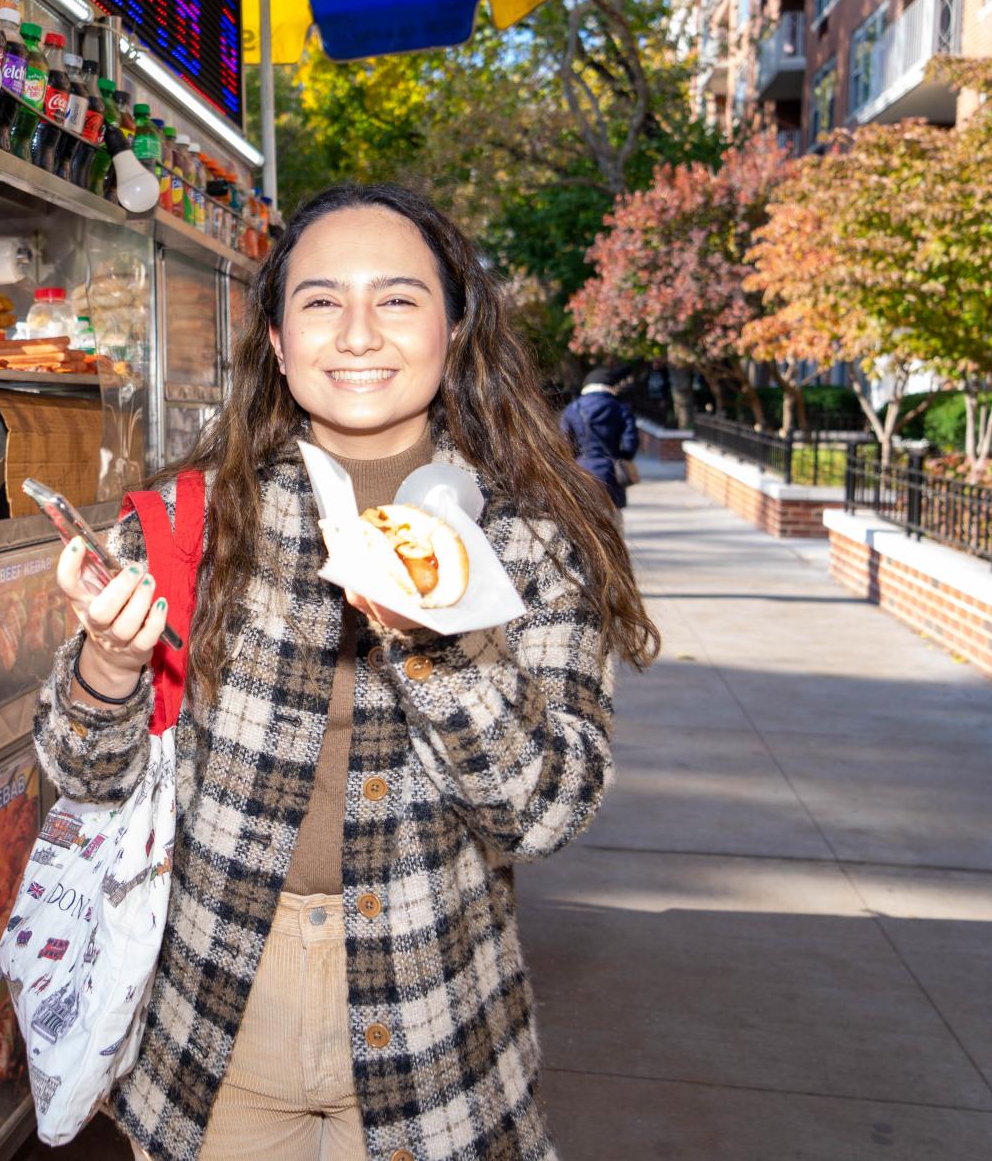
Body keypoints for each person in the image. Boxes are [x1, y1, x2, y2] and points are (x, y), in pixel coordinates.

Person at [33, 184, 659, 1161]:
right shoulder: (189, 524)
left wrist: (429, 642)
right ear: (278, 343)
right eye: (320, 301)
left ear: (452, 329)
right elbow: (84, 773)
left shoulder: (527, 542)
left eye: (399, 299)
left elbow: (547, 810)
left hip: (437, 1017)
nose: (357, 333)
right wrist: (109, 665)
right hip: (212, 1017)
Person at [561, 367, 640, 511]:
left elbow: (565, 444)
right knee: (612, 524)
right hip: (611, 473)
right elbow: (631, 442)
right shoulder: (621, 409)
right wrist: (623, 456)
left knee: (584, 519)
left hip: (581, 471)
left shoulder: (572, 409)